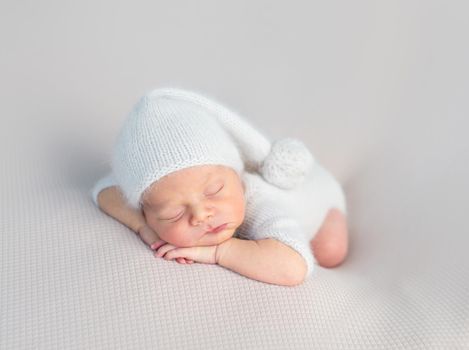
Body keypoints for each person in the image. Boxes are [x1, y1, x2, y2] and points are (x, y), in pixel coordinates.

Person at [91, 87, 349, 286]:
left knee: (330, 251)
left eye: (214, 190)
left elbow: (293, 267)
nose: (201, 215)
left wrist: (218, 252)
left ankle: (337, 215)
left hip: (318, 196)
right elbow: (105, 190)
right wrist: (144, 228)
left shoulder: (260, 202)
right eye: (174, 213)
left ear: (236, 175)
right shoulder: (155, 200)